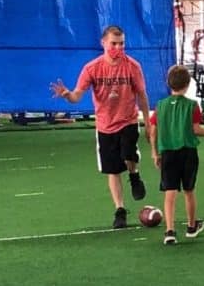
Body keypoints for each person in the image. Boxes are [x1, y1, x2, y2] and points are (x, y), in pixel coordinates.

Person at [49, 25, 151, 229]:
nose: (118, 47)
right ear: (103, 43)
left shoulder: (132, 66)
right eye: (114, 43)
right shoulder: (92, 68)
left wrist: (148, 122)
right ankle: (120, 210)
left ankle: (134, 175)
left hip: (128, 120)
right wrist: (67, 95)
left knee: (129, 153)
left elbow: (141, 95)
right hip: (105, 125)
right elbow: (77, 95)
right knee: (112, 169)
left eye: (121, 43)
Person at [149, 65, 204, 245]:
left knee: (170, 192)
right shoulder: (192, 106)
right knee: (189, 190)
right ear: (188, 84)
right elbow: (196, 129)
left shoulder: (160, 106)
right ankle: (191, 226)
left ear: (168, 83)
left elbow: (153, 130)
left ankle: (170, 231)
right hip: (188, 152)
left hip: (167, 153)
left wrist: (154, 152)